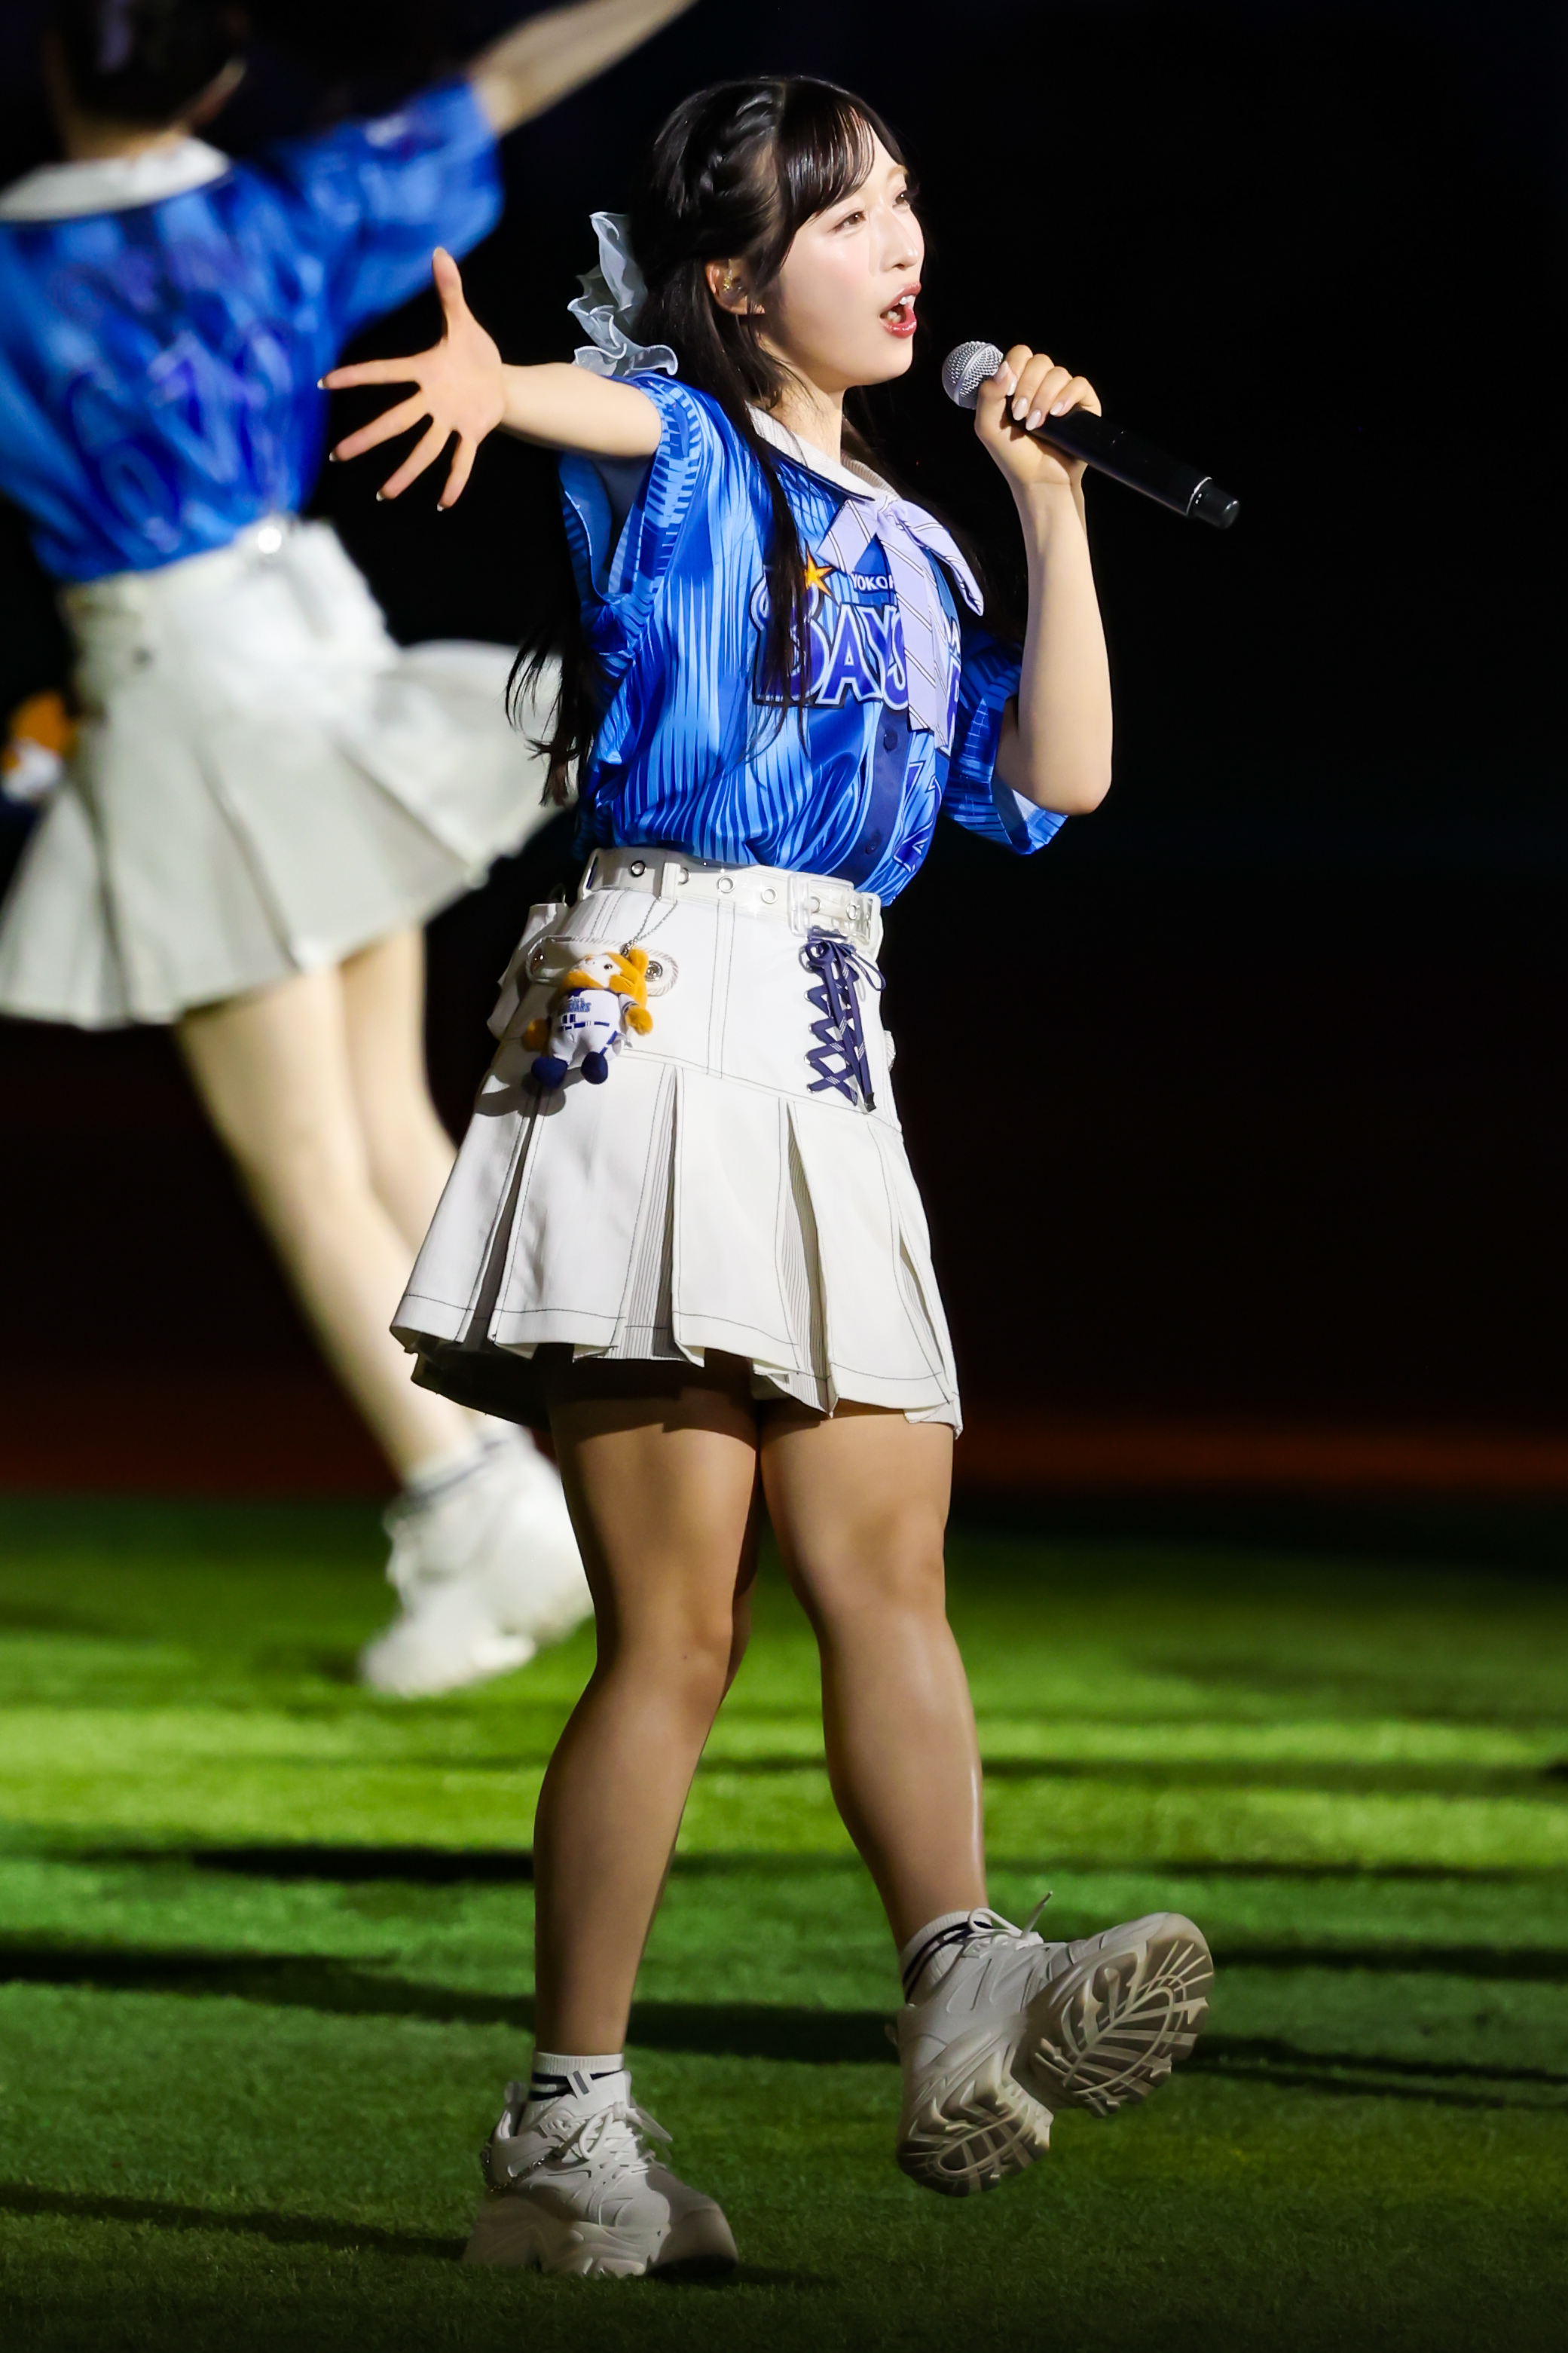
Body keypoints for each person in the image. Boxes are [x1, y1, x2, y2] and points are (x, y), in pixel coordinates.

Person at [326, 74, 1214, 2278]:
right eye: (848, 219)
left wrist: (1049, 506)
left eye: (909, 204)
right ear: (738, 283)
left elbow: (1065, 779)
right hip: (655, 1012)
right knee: (681, 1631)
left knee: (890, 1561)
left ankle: (962, 1980)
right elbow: (597, 417)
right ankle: (564, 2129)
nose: (904, 247)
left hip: (830, 1046)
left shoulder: (916, 540)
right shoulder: (690, 451)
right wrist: (496, 384)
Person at [0, 0, 699, 1695]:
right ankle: (539, 1493)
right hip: (317, 664)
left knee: (308, 1155)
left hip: (186, 698)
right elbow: (506, 79)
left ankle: (478, 1507)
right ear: (223, 74)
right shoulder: (272, 209)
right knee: (388, 1128)